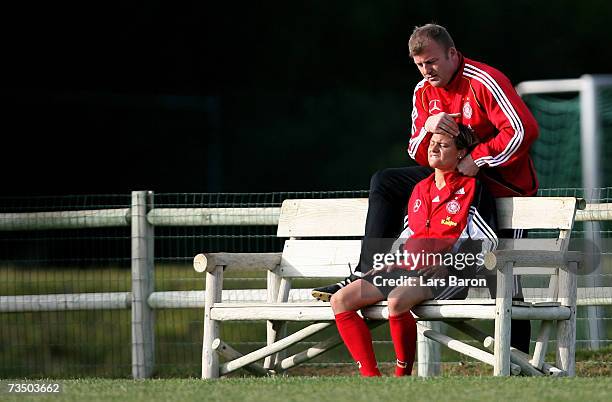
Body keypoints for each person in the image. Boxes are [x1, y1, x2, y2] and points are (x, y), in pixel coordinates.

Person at [312, 23, 538, 353]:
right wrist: (429, 126)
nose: (425, 71)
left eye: (431, 62)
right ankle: (367, 270)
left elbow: (523, 130)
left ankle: (518, 361)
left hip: (503, 188)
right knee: (385, 181)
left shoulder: (483, 80)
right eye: (419, 65)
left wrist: (478, 158)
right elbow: (418, 150)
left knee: (504, 278)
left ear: (451, 53)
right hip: (456, 182)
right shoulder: (422, 91)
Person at [332, 125, 497, 376]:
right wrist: (391, 259)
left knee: (397, 301)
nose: (434, 147)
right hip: (405, 268)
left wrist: (449, 264)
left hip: (447, 273)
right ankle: (371, 379)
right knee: (341, 300)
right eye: (432, 143)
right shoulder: (420, 188)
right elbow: (408, 234)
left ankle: (402, 377)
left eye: (443, 145)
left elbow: (487, 242)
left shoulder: (474, 190)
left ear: (461, 153)